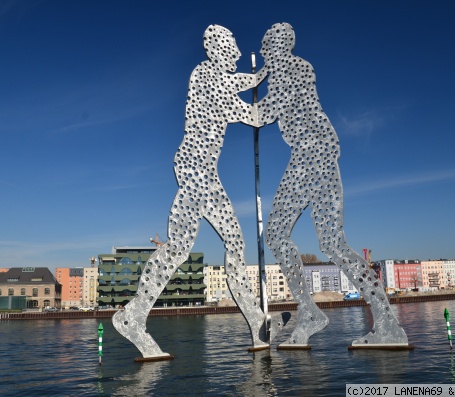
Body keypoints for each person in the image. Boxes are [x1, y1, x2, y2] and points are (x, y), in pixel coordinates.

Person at [113, 25, 284, 359]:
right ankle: (255, 321)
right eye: (231, 47)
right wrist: (285, 98)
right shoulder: (207, 77)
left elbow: (243, 81)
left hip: (199, 169)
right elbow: (253, 114)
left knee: (182, 247)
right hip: (196, 170)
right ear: (216, 49)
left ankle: (134, 316)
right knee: (224, 243)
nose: (236, 53)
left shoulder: (215, 75)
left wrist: (264, 71)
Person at [257, 23, 408, 347]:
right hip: (319, 155)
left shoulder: (290, 70)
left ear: (276, 49)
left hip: (310, 158)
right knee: (332, 243)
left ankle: (313, 312)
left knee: (277, 234)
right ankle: (383, 320)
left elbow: (264, 112)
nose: (267, 57)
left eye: (268, 50)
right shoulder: (297, 69)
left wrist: (230, 101)